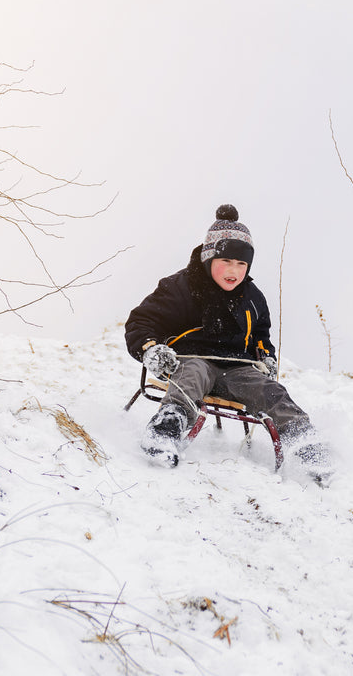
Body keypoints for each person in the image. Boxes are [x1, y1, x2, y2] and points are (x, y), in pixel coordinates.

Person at [124, 204, 331, 481]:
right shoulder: (181, 287)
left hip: (238, 369)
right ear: (209, 259)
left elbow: (262, 337)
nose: (234, 270)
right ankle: (167, 428)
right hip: (192, 360)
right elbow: (141, 322)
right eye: (226, 262)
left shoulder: (254, 298)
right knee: (192, 375)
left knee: (271, 391)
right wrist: (151, 348)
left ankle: (303, 441)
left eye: (241, 263)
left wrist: (265, 355)